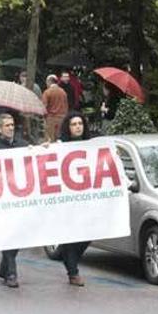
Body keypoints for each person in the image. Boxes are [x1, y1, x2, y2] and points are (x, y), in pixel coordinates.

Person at [0, 113, 29, 288]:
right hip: (3, 200)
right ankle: (11, 272)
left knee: (18, 235)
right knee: (8, 235)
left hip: (21, 198)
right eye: (7, 125)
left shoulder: (23, 145)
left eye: (12, 125)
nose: (11, 128)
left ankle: (4, 268)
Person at [57, 112, 92, 286]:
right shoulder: (60, 146)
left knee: (88, 234)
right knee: (71, 235)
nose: (78, 127)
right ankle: (73, 272)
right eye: (74, 124)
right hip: (68, 201)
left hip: (87, 199)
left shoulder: (92, 146)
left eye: (80, 123)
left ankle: (68, 258)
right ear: (68, 128)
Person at [41, 75, 69, 142]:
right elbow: (66, 106)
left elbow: (43, 107)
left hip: (51, 119)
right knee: (60, 139)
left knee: (50, 140)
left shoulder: (47, 92)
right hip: (62, 119)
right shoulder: (63, 92)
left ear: (49, 82)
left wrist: (44, 117)